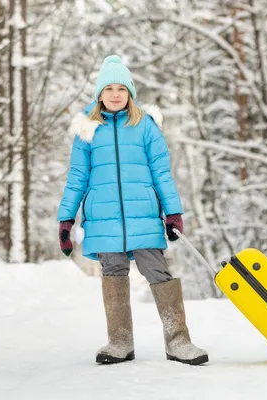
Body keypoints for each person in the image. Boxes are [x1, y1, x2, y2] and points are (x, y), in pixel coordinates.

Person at [57, 55, 208, 366]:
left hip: (143, 215)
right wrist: (66, 218)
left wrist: (172, 211)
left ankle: (178, 341)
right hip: (103, 219)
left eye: (121, 89)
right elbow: (77, 178)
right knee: (113, 273)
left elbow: (162, 172)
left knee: (158, 273)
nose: (115, 95)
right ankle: (120, 341)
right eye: (109, 89)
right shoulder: (87, 129)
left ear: (130, 93)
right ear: (100, 94)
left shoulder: (145, 126)